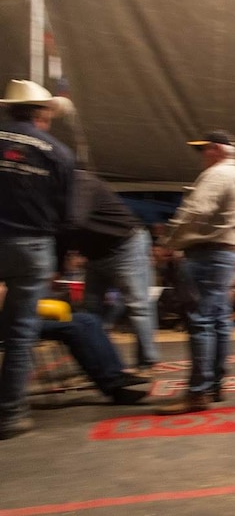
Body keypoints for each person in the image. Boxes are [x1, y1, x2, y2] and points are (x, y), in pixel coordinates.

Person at [0, 80, 75, 440]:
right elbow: (65, 215)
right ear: (43, 113)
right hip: (31, 245)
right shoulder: (57, 152)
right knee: (19, 332)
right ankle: (10, 414)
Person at [156, 130, 235, 414]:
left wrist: (169, 242)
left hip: (207, 253)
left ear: (217, 149)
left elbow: (195, 212)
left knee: (201, 322)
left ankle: (198, 392)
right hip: (225, 252)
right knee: (219, 319)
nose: (202, 155)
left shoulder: (217, 175)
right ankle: (214, 385)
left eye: (206, 149)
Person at [60, 169, 160, 372]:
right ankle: (101, 362)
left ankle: (148, 362)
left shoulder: (81, 181)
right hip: (96, 254)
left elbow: (74, 221)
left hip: (126, 246)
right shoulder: (59, 190)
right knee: (91, 309)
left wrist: (57, 263)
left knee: (137, 305)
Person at [39, 311, 150, 405]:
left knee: (89, 319)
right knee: (75, 328)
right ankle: (112, 382)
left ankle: (115, 378)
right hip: (24, 321)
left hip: (30, 315)